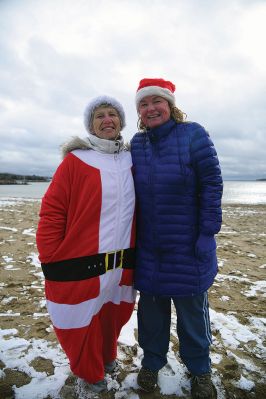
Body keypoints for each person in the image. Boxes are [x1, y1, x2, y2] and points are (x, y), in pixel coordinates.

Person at [36, 96, 136, 393]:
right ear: (90, 125)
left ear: (121, 121)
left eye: (112, 114)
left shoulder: (134, 160)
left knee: (112, 314)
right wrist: (50, 254)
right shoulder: (76, 161)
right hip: (81, 259)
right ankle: (89, 373)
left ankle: (106, 357)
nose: (107, 119)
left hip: (122, 261)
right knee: (80, 319)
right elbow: (52, 210)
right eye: (99, 116)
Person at [130, 78, 223, 399]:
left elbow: (212, 183)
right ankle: (152, 364)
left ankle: (200, 371)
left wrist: (207, 233)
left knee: (192, 317)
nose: (150, 108)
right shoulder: (137, 144)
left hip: (188, 247)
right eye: (143, 104)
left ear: (170, 106)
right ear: (139, 112)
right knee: (152, 315)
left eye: (156, 101)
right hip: (150, 249)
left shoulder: (193, 134)